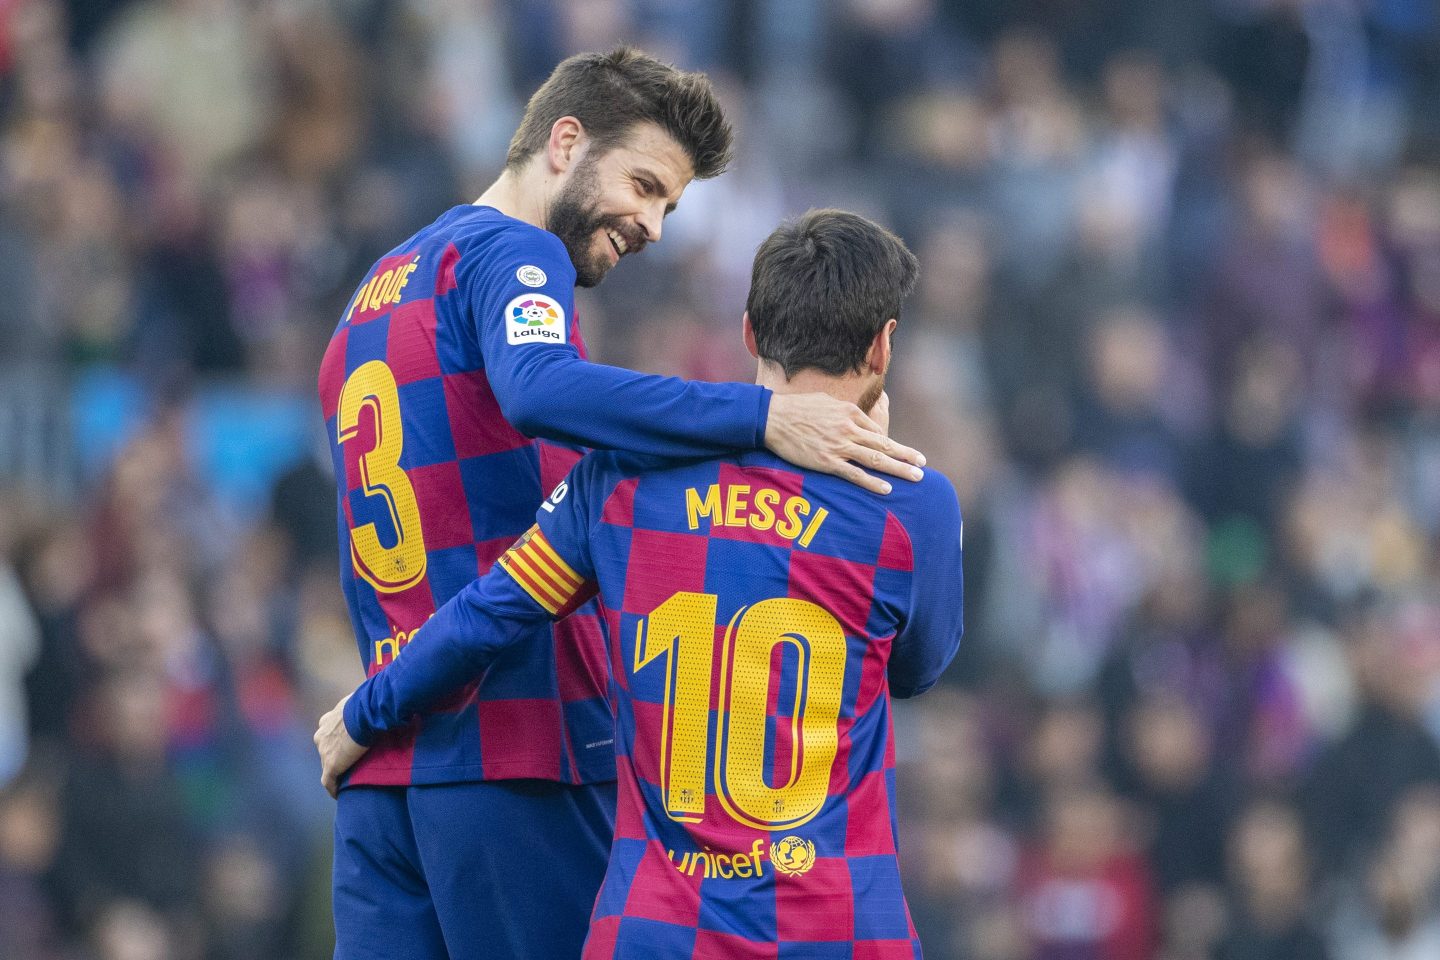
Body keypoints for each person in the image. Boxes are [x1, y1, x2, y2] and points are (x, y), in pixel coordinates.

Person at [317, 48, 926, 960]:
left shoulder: (375, 292)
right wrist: (760, 415)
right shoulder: (512, 253)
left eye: (669, 206)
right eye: (643, 184)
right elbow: (540, 389)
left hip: (382, 761)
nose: (649, 223)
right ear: (565, 141)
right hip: (519, 751)